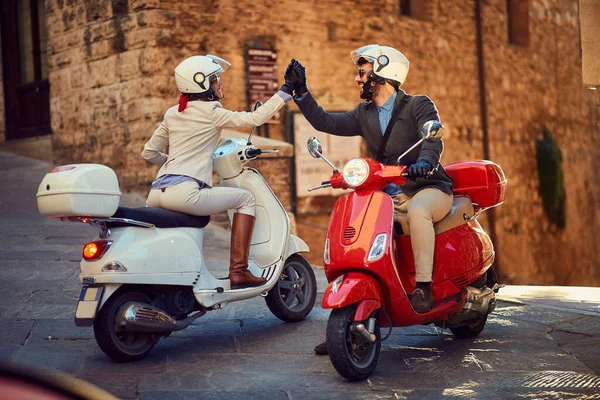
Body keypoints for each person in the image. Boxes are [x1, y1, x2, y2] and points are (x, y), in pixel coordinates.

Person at [285, 45, 454, 354]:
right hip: (388, 193)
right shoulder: (364, 114)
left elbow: (433, 140)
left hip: (427, 188)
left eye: (362, 73)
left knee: (417, 211)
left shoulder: (418, 105)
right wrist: (302, 93)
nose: (357, 79)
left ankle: (425, 288)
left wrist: (425, 163)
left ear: (381, 75)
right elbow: (328, 123)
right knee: (359, 224)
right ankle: (350, 318)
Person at [142, 54, 298, 290]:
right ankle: (239, 272)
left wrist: (173, 163)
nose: (220, 83)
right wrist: (285, 91)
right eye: (215, 79)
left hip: (156, 194)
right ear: (201, 83)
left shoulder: (172, 113)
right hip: (185, 194)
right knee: (246, 199)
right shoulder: (211, 111)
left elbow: (149, 153)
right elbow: (255, 117)